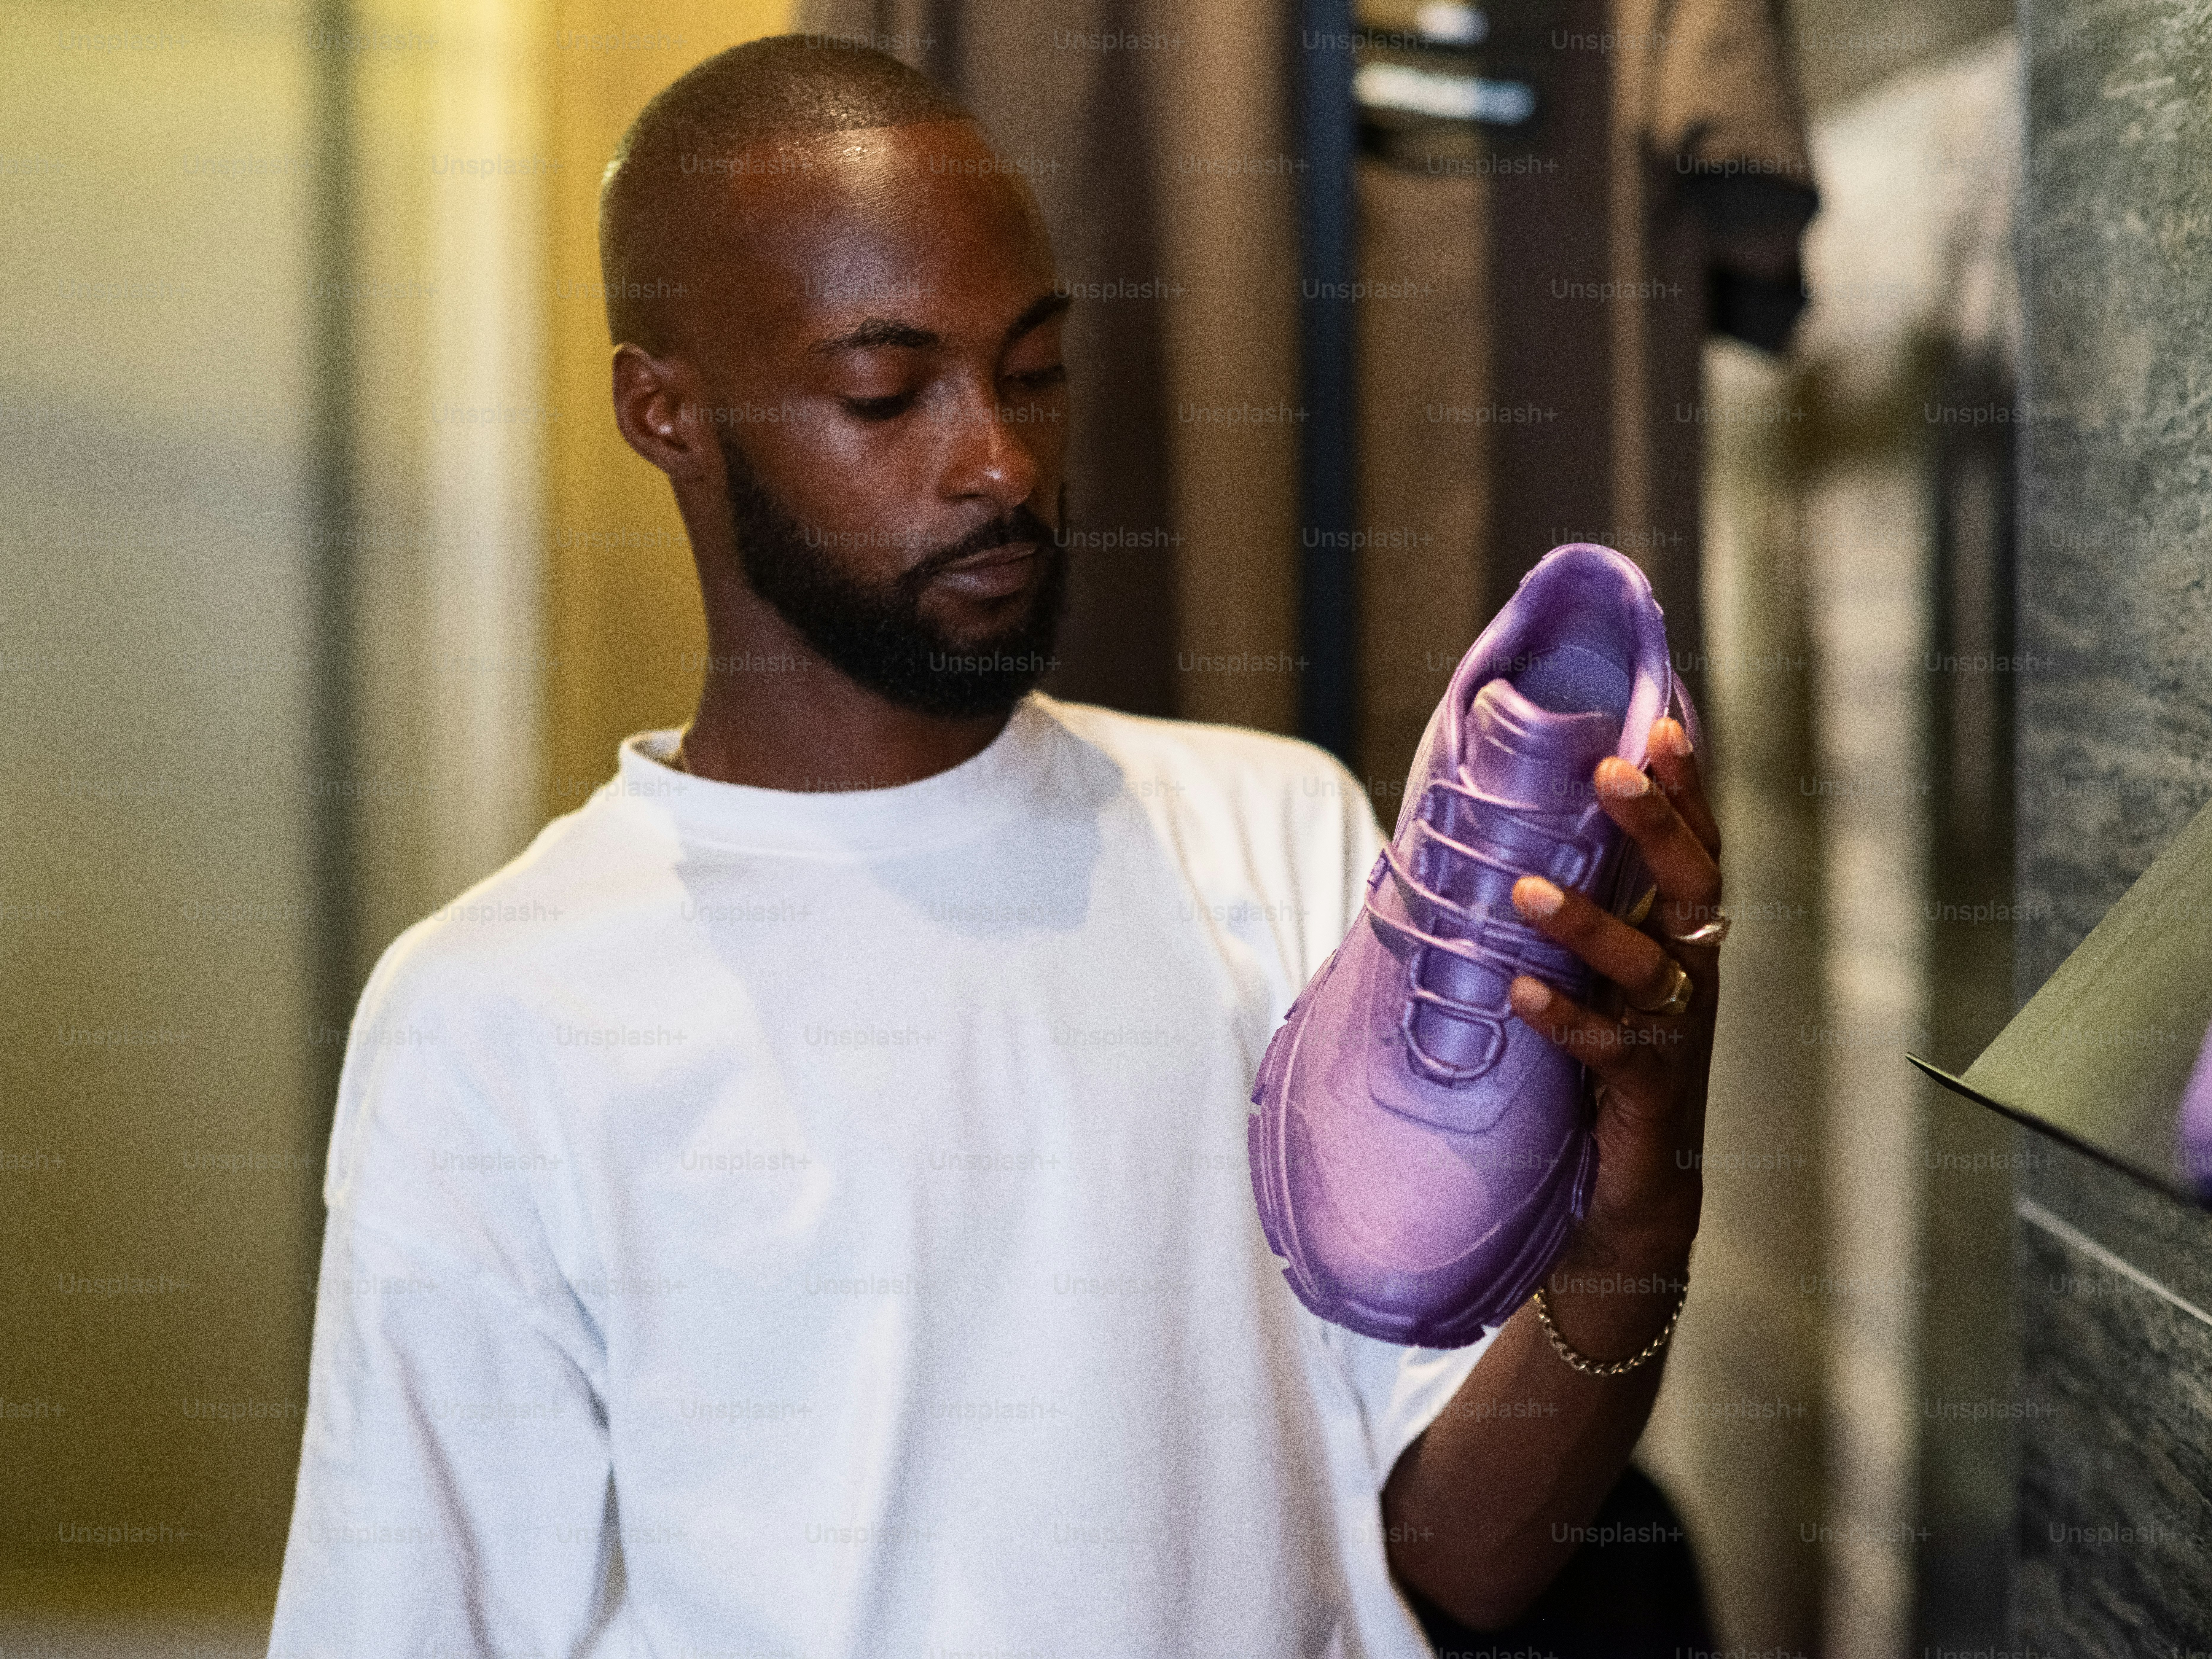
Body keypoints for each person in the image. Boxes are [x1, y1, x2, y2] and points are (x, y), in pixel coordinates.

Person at [269, 36, 1723, 1658]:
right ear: (663, 412)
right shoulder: (496, 1016)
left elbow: (1457, 1559)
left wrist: (1634, 1230)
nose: (1002, 463)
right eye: (886, 394)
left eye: (1032, 372)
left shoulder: (1277, 836)